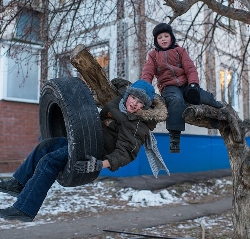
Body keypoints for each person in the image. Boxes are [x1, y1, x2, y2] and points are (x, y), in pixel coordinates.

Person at [0, 79, 168, 222]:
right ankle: (18, 184)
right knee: (45, 146)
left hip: (94, 151)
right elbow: (118, 84)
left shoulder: (136, 125)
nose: (134, 104)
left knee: (49, 162)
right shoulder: (119, 100)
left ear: (144, 106)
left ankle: (25, 209)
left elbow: (126, 154)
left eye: (140, 103)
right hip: (83, 138)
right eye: (133, 98)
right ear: (128, 94)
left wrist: (99, 164)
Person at [141, 23, 223, 154]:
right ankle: (174, 136)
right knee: (176, 100)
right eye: (160, 37)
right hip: (169, 87)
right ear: (156, 41)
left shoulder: (180, 51)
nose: (163, 39)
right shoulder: (153, 55)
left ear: (171, 37)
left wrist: (193, 85)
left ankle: (216, 117)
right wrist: (145, 87)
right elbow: (147, 72)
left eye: (166, 36)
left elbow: (190, 68)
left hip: (185, 85)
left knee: (205, 97)